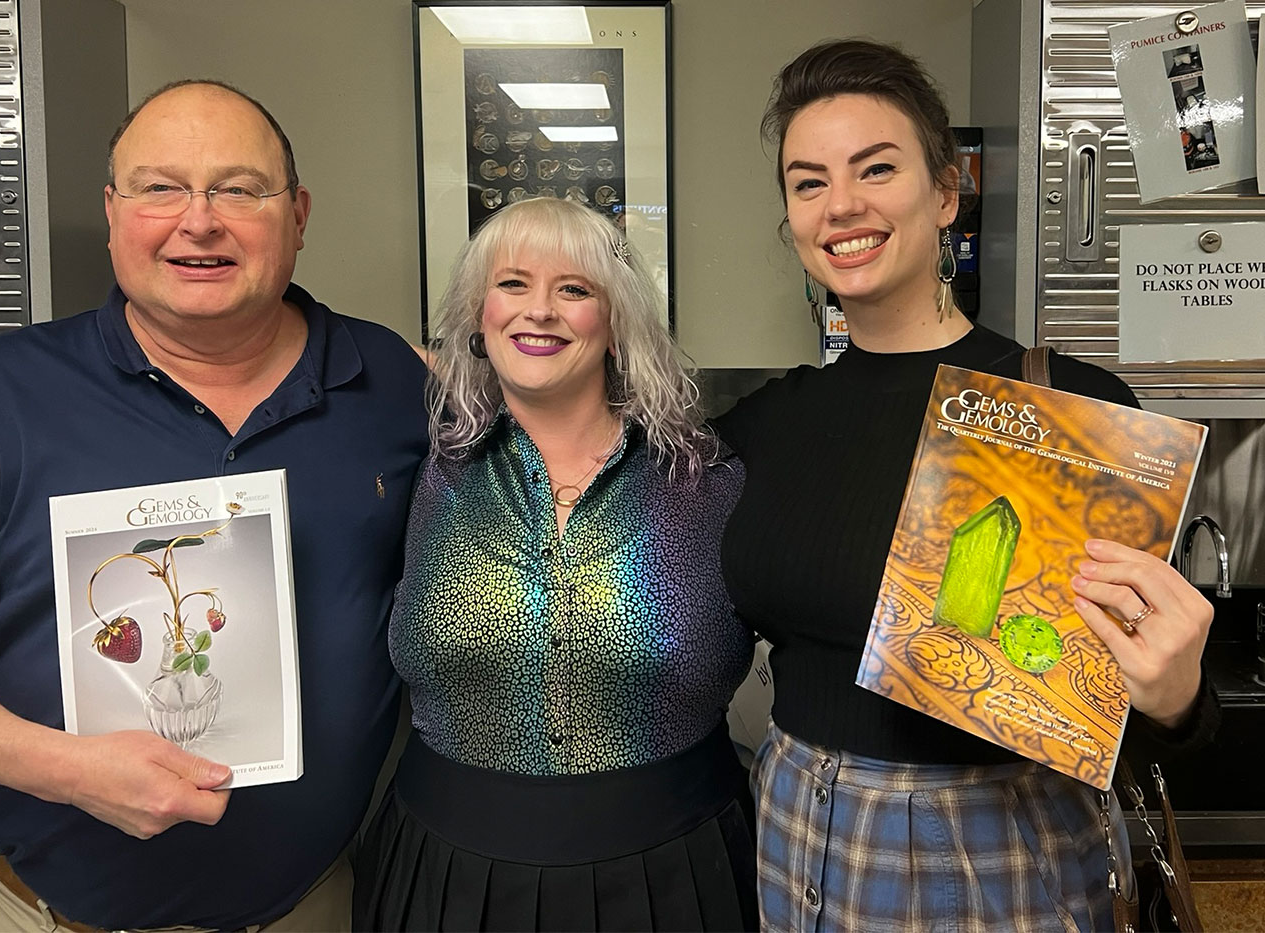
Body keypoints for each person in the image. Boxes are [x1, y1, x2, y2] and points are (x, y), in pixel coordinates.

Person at [0, 79, 428, 931]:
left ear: (299, 214)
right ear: (112, 210)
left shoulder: (392, 384)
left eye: (239, 188)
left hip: (309, 907)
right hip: (26, 915)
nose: (198, 220)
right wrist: (61, 767)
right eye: (160, 187)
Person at [715, 40, 1220, 932]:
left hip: (1000, 841)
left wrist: (1177, 694)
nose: (843, 205)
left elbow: (1118, 699)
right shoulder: (762, 426)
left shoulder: (1074, 410)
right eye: (808, 181)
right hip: (793, 827)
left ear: (946, 193)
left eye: (877, 168)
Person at [353, 197, 758, 932]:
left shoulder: (712, 481)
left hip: (675, 874)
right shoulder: (419, 463)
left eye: (574, 289)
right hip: (444, 877)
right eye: (512, 284)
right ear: (479, 314)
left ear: (616, 321)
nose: (538, 311)